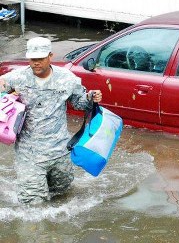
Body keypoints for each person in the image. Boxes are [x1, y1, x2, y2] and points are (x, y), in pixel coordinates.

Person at [0, 36, 102, 204]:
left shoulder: (67, 79)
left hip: (59, 150)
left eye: (40, 59)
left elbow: (79, 103)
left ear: (50, 56)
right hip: (29, 154)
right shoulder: (16, 78)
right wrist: (7, 97)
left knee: (63, 197)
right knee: (32, 203)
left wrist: (91, 97)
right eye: (32, 59)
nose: (36, 63)